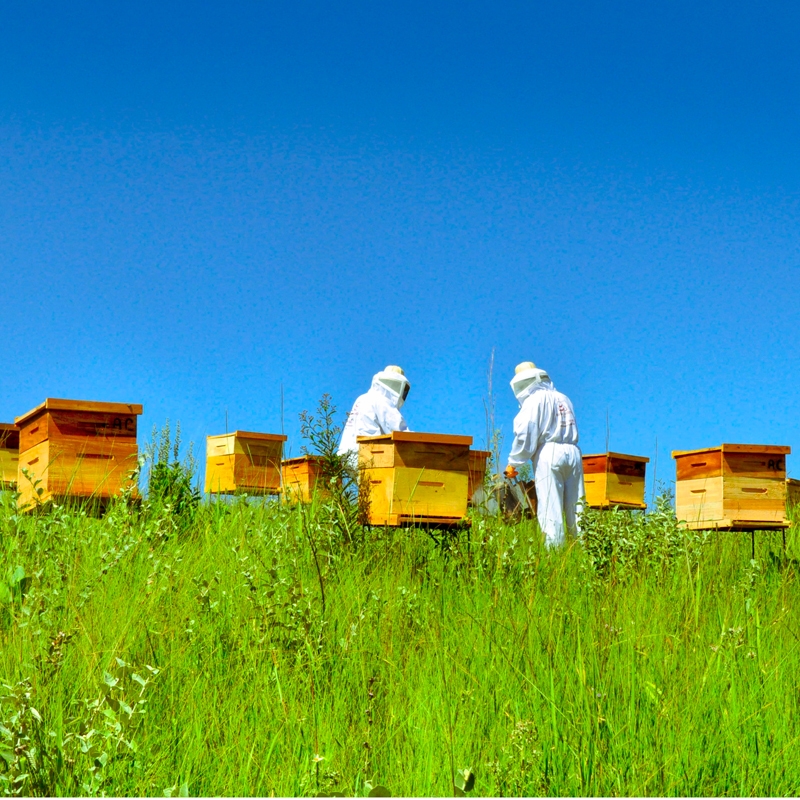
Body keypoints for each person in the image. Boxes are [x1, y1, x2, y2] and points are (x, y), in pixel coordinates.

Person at [504, 361, 584, 547]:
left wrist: (513, 462)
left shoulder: (534, 400)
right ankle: (584, 552)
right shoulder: (564, 398)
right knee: (578, 508)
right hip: (573, 452)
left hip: (549, 453)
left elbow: (525, 434)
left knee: (551, 509)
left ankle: (554, 554)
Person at [337, 366, 411, 462]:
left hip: (348, 455)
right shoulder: (382, 401)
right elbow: (401, 432)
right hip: (370, 455)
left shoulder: (362, 398)